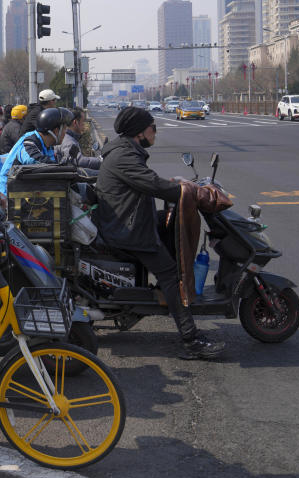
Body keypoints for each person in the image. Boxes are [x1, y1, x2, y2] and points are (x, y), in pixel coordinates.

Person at [94, 107, 225, 360]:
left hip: (126, 220)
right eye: (153, 127)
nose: (156, 132)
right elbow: (153, 185)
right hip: (127, 229)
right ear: (140, 132)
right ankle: (191, 339)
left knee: (168, 230)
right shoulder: (124, 156)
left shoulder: (124, 151)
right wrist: (195, 193)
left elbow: (148, 181)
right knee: (171, 275)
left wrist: (178, 184)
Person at [0, 107, 73, 196]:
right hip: (7, 196)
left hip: (24, 191)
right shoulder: (29, 141)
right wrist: (62, 167)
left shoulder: (48, 145)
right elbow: (33, 159)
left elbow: (52, 164)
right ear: (56, 131)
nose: (65, 133)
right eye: (64, 129)